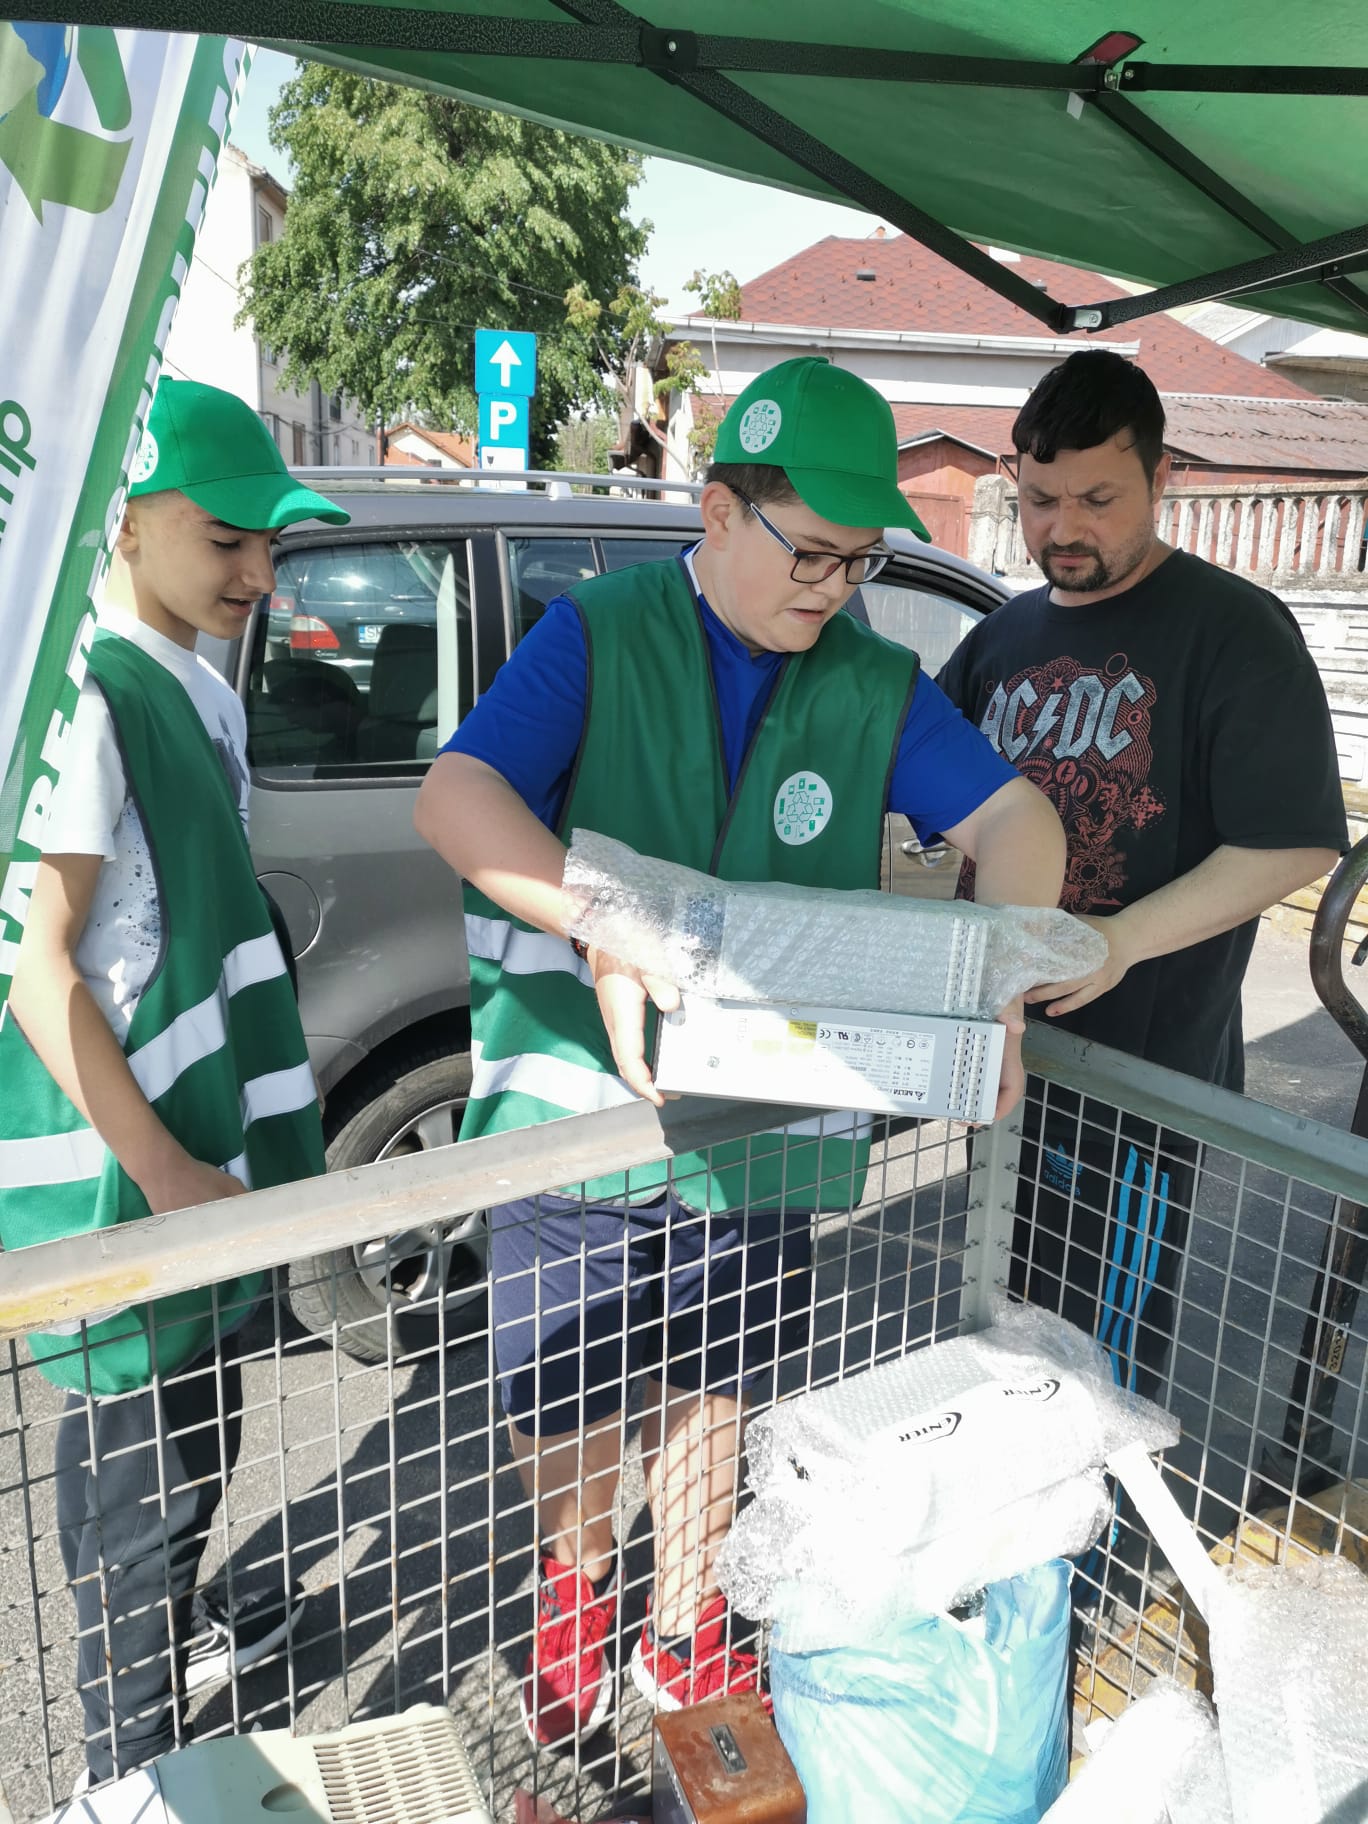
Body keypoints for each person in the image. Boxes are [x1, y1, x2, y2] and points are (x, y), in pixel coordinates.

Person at [415, 356, 1067, 1746]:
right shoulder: (597, 633)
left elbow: (1018, 825)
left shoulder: (875, 682)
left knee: (718, 1379)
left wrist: (1000, 978)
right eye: (811, 553)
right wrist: (611, 920)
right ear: (719, 511)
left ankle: (686, 1620)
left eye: (859, 560)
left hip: (762, 1116)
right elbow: (458, 796)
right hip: (578, 1107)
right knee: (566, 1390)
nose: (833, 589)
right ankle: (574, 1596)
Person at [0, 378, 350, 1787]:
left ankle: (168, 1683)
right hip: (138, 1189)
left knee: (198, 1445)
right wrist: (162, 1175)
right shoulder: (89, 697)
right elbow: (38, 971)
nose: (258, 574)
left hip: (201, 1173)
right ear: (128, 519)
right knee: (135, 1504)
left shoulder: (191, 684)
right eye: (227, 538)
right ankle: (130, 1777)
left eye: (270, 543)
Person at [938, 349, 1347, 1395]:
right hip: (1004, 1056)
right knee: (1000, 1322)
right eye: (1040, 500)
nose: (1063, 529)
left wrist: (1121, 941)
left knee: (1093, 1367)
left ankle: (1096, 1508)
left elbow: (1296, 843)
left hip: (1138, 1083)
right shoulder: (1001, 636)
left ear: (1162, 478)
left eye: (1098, 499)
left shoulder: (1234, 629)